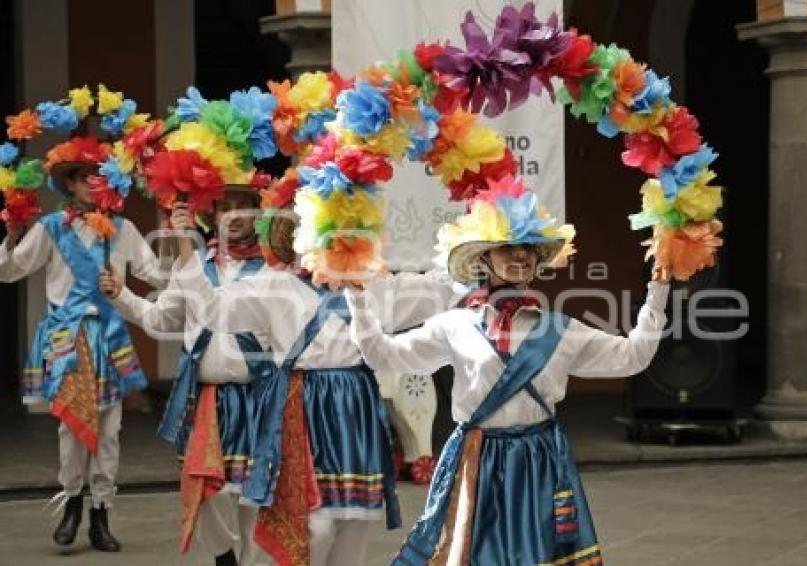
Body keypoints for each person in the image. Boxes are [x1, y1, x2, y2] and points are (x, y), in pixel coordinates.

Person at [345, 182, 670, 565]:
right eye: (507, 247)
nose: (519, 256)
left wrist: (659, 287)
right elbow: (382, 355)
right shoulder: (454, 325)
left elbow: (633, 356)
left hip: (539, 459)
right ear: (484, 259)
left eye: (527, 249)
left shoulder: (561, 330)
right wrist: (357, 297)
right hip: (476, 458)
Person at [167, 203, 461, 566]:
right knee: (315, 525)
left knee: (354, 522)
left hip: (354, 407)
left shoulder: (375, 287)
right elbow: (211, 310)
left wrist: (471, 247)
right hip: (301, 407)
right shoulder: (274, 286)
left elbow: (440, 290)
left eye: (345, 236)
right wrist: (185, 245)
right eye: (325, 235)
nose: (334, 244)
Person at [0, 145, 166, 552]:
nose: (94, 185)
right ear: (70, 183)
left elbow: (157, 274)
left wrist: (184, 243)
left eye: (101, 177)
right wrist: (11, 236)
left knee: (109, 431)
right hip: (66, 338)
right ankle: (71, 503)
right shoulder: (51, 228)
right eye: (85, 177)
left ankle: (100, 514)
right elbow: (9, 270)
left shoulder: (123, 230)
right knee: (70, 428)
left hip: (108, 334)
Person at [100, 185, 275, 565]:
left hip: (259, 396)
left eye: (242, 207)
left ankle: (246, 561)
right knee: (204, 487)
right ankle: (224, 558)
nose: (233, 215)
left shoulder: (273, 270)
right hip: (206, 399)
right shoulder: (196, 266)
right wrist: (121, 295)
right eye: (224, 208)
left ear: (258, 214)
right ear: (211, 216)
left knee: (253, 498)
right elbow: (161, 318)